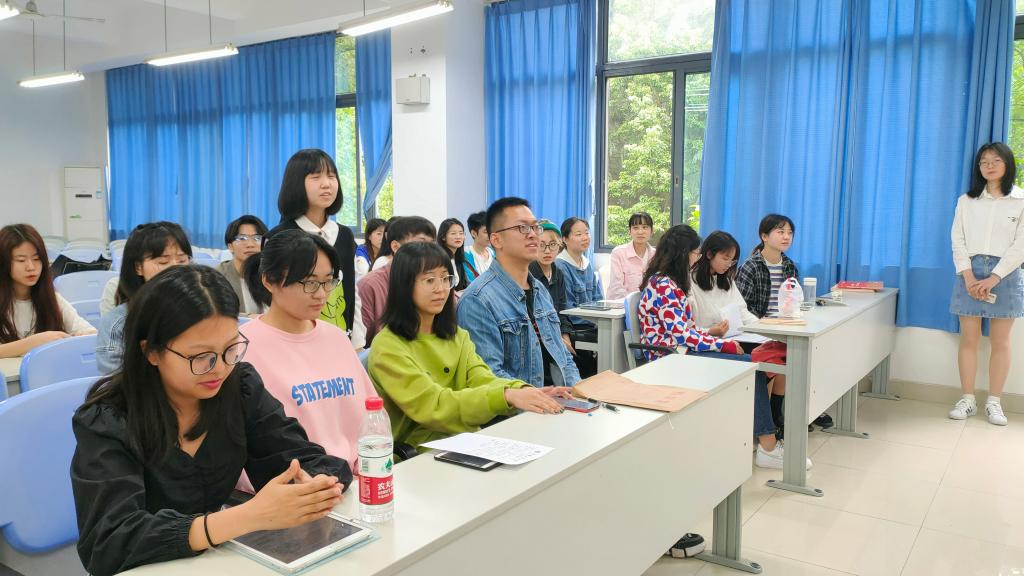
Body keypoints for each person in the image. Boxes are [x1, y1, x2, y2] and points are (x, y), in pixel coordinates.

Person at [71, 265, 349, 576]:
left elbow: (298, 458)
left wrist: (315, 485)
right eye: (201, 357)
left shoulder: (239, 388)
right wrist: (245, 517)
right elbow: (108, 543)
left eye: (231, 349)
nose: (219, 368)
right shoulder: (108, 422)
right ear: (151, 352)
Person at [369, 242, 569, 450]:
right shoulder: (388, 346)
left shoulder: (455, 335)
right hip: (419, 452)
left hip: (467, 442)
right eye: (429, 280)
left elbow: (482, 378)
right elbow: (434, 405)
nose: (440, 289)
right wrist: (506, 396)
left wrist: (523, 390)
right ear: (404, 286)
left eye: (445, 278)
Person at [637, 225, 807, 469]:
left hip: (682, 351)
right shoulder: (664, 285)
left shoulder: (669, 282)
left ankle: (762, 439)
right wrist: (722, 345)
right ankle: (768, 446)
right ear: (682, 253)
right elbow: (682, 335)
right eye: (694, 252)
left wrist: (718, 341)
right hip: (671, 357)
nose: (696, 257)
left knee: (754, 365)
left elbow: (687, 330)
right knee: (751, 368)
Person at [241, 229, 377, 469]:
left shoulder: (336, 338)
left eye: (328, 281)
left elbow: (372, 417)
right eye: (310, 283)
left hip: (356, 476)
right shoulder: (243, 347)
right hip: (294, 482)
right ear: (269, 281)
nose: (322, 294)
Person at [458, 198, 581, 388]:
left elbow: (563, 357)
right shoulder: (478, 300)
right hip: (520, 403)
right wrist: (541, 398)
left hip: (559, 397)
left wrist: (577, 391)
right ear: (496, 239)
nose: (533, 235)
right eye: (522, 228)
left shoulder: (540, 290)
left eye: (535, 227)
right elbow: (489, 376)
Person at [949, 142, 1024, 426]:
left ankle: (994, 402)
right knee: (968, 339)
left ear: (1008, 164)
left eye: (996, 160)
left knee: (1000, 342)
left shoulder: (1020, 199)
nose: (989, 165)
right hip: (969, 271)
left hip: (1006, 273)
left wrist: (995, 276)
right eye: (984, 161)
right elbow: (957, 239)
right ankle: (967, 399)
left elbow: (1021, 244)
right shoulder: (966, 201)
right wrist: (968, 275)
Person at [735, 214, 831, 431]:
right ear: (764, 236)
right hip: (757, 328)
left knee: (811, 348)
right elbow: (743, 307)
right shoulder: (751, 266)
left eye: (789, 233)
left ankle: (797, 410)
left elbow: (793, 300)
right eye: (780, 232)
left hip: (784, 325)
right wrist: (767, 324)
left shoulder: (789, 265)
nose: (786, 237)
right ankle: (776, 414)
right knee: (787, 354)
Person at [267, 149, 364, 348]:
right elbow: (269, 300)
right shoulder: (280, 237)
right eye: (316, 177)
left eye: (331, 176)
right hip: (294, 343)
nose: (327, 183)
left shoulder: (344, 235)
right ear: (296, 183)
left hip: (339, 340)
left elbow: (350, 290)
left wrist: (357, 342)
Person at [96, 222, 192, 374]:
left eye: (182, 260)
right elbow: (115, 380)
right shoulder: (118, 323)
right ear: (138, 267)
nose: (176, 268)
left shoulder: (199, 310)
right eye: (163, 262)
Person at [0, 223, 94, 358]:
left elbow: (90, 333)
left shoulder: (52, 299)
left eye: (36, 259)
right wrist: (33, 342)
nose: (31, 267)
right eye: (21, 260)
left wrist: (81, 336)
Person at [529, 220, 595, 377]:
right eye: (541, 245)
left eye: (552, 245)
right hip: (538, 337)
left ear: (559, 245)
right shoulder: (528, 273)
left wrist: (564, 335)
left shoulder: (557, 272)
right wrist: (558, 339)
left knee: (587, 365)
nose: (547, 251)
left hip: (559, 331)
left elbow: (562, 311)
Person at [357, 216, 436, 347]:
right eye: (421, 243)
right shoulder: (370, 285)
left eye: (432, 244)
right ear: (395, 246)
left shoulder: (438, 282)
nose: (429, 251)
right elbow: (361, 345)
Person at [555, 217, 605, 331]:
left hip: (592, 323)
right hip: (575, 327)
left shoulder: (587, 264)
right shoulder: (561, 266)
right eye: (579, 234)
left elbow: (598, 299)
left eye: (587, 233)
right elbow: (568, 309)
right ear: (565, 239)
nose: (585, 238)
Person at [217, 215, 268, 316]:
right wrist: (249, 318)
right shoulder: (218, 276)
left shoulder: (271, 273)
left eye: (257, 238)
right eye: (242, 238)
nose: (250, 244)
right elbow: (216, 312)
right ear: (230, 246)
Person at [607, 212, 656, 300]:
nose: (640, 232)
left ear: (652, 231)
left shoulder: (656, 255)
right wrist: (634, 304)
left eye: (645, 227)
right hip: (621, 304)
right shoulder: (619, 253)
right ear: (629, 231)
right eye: (635, 228)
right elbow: (616, 288)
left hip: (649, 305)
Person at [437, 218, 469, 291]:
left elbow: (462, 286)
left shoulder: (458, 258)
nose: (458, 237)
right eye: (453, 233)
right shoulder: (440, 258)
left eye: (461, 233)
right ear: (443, 237)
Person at [463, 211, 493, 283]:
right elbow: (472, 283)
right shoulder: (465, 255)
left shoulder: (493, 253)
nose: (490, 235)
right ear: (473, 233)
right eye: (486, 232)